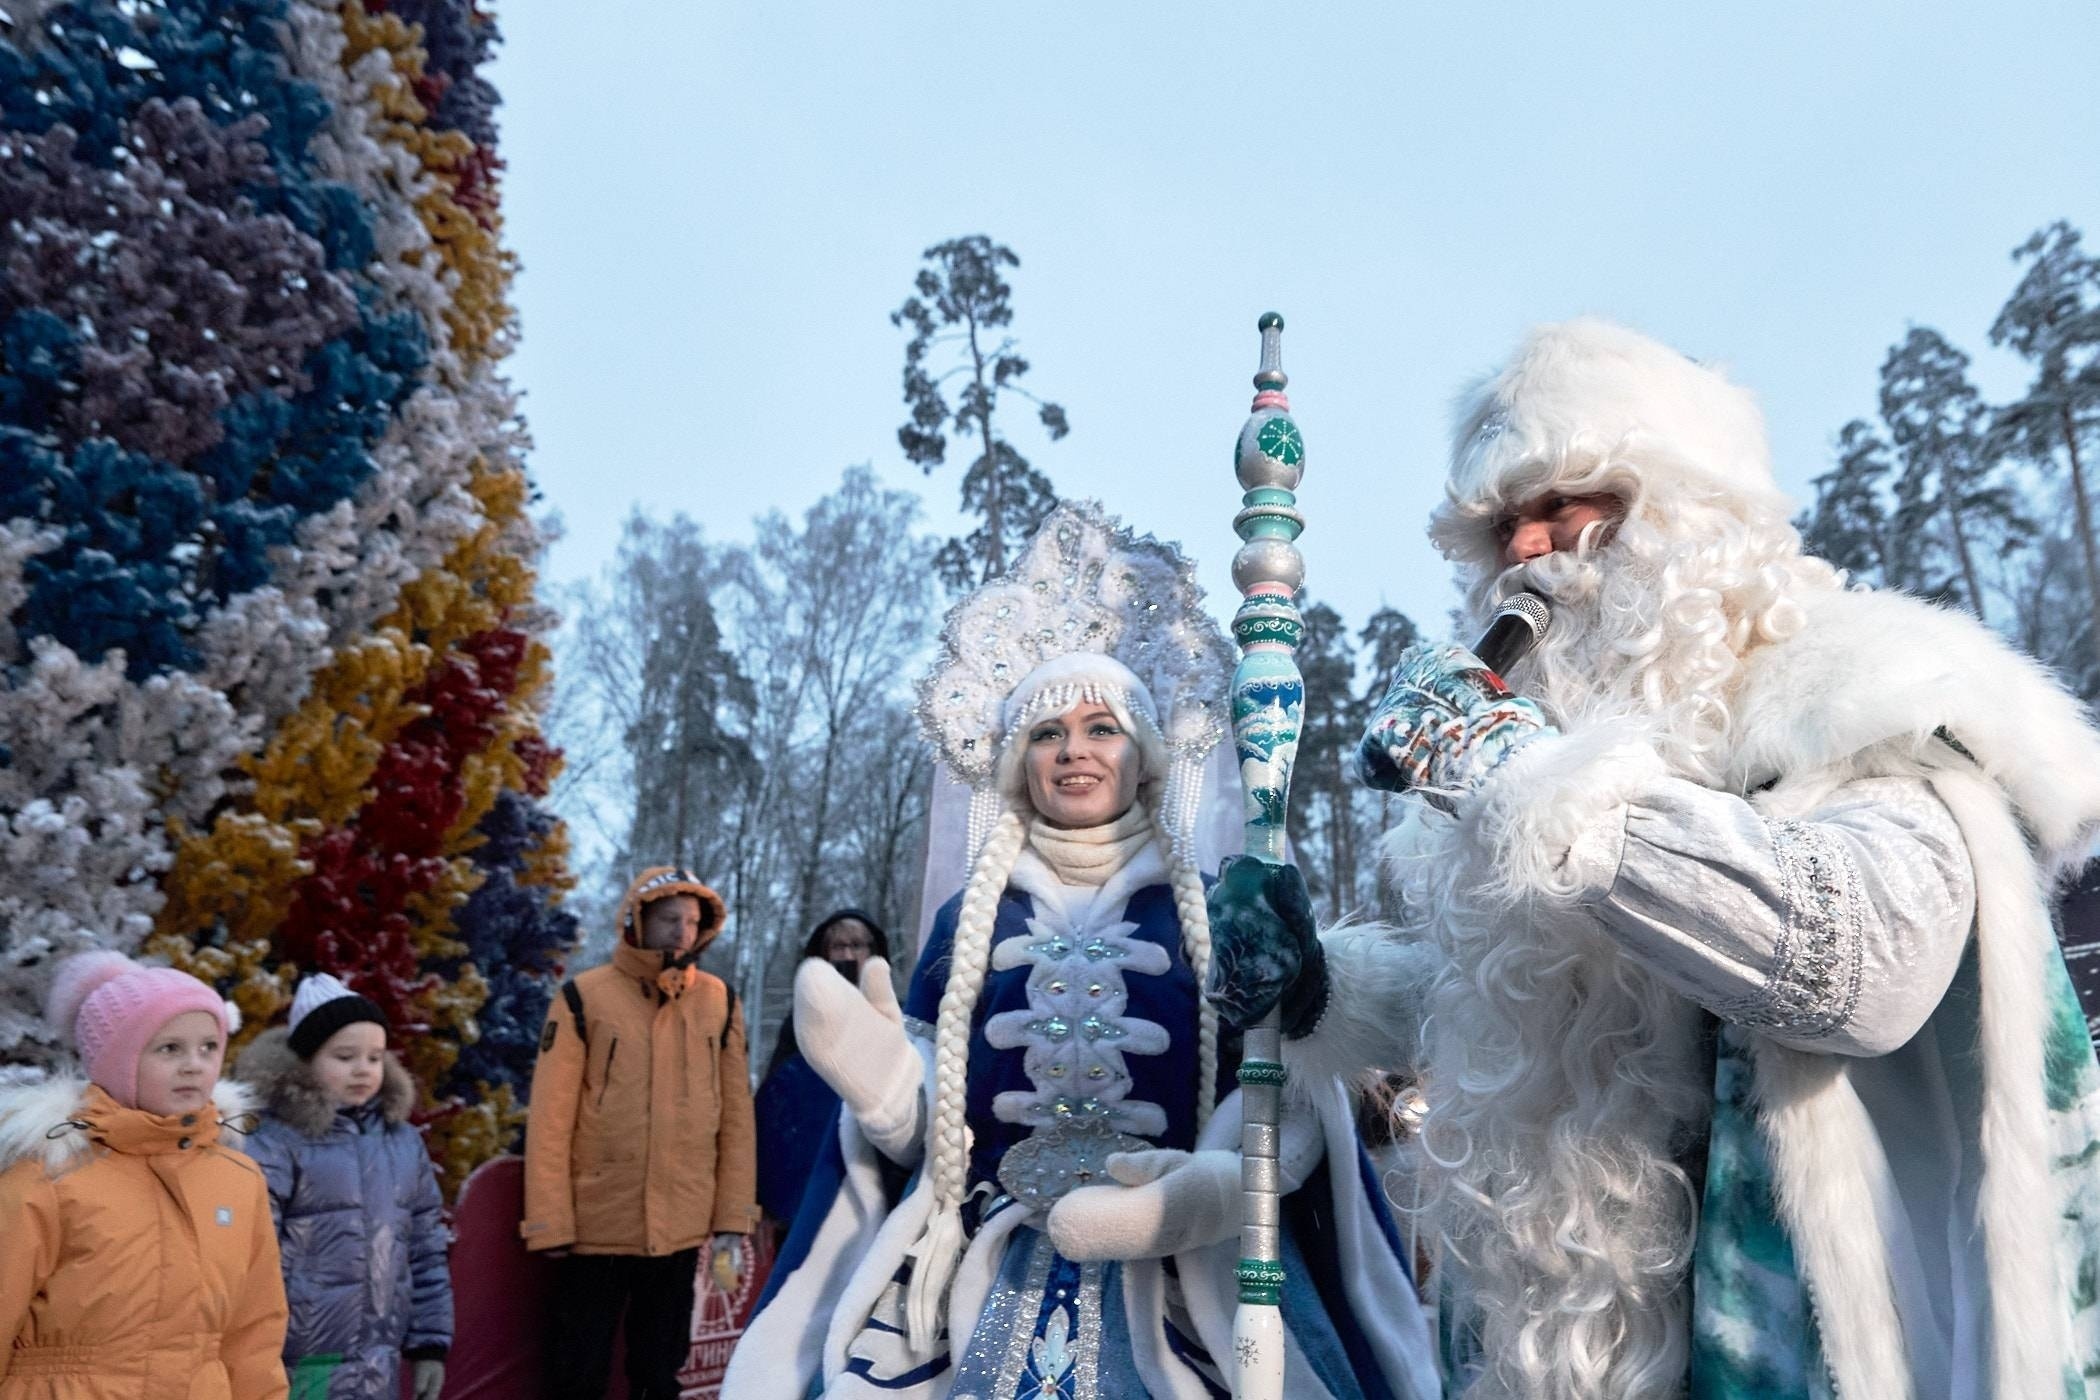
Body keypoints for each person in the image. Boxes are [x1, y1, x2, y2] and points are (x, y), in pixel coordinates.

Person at [1205, 317, 2100, 1399]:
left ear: (1678, 514)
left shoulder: (1853, 693)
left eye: (1563, 506)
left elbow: (1864, 961)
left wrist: (1511, 773)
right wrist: (1323, 991)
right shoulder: (1539, 763)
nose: (1526, 549)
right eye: (1500, 528)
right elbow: (1519, 1016)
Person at [725, 502, 1438, 1399]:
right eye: (1048, 735)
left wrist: (1212, 1188)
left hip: (1186, 1274)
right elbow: (938, 1123)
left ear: (1142, 757)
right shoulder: (967, 920)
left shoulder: (1220, 908)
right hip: (992, 1265)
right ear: (1019, 761)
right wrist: (884, 1084)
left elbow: (1287, 1087)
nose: (1074, 753)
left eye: (1102, 730)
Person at [0, 951, 289, 1397]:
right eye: (169, 1048)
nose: (194, 1064)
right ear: (117, 1060)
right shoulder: (51, 1174)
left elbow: (255, 1331)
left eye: (208, 1047)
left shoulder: (237, 1179)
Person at [523, 866, 760, 1400]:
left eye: (693, 921)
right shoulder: (584, 997)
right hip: (596, 1222)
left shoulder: (720, 1002)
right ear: (638, 920)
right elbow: (551, 1118)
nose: (682, 932)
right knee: (576, 1370)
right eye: (670, 919)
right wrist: (549, 1221)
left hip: (680, 1225)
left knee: (660, 1370)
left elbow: (736, 1119)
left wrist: (732, 1216)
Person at [240, 973, 453, 1399]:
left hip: (380, 1358)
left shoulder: (403, 1143)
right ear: (306, 1061)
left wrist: (429, 1343)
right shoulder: (277, 1142)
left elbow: (426, 1248)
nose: (363, 1069)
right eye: (344, 1056)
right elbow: (252, 1255)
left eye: (375, 1058)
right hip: (304, 1359)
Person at [754, 910, 892, 1227]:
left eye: (857, 946)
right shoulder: (801, 1019)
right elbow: (776, 1106)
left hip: (868, 1176)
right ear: (823, 955)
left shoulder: (890, 1015)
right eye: (838, 946)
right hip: (807, 1174)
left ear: (873, 952)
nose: (847, 955)